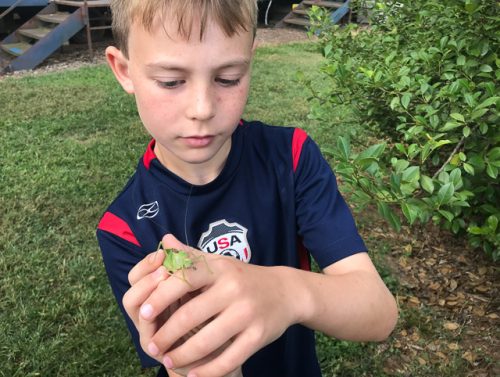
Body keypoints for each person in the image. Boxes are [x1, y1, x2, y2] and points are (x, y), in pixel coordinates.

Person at [96, 1, 398, 376]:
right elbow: (179, 359)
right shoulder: (122, 226)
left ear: (250, 62)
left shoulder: (291, 158)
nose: (202, 108)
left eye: (228, 77)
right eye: (171, 81)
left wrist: (285, 292)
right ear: (124, 70)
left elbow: (379, 313)